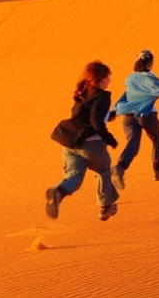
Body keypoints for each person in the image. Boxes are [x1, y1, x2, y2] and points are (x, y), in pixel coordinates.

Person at [48, 61, 121, 221]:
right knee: (103, 172)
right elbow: (96, 120)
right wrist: (110, 139)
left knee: (75, 176)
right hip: (92, 145)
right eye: (108, 76)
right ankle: (105, 207)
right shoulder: (102, 97)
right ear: (101, 79)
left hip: (70, 143)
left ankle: (59, 192)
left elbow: (85, 115)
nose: (110, 80)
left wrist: (110, 115)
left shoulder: (83, 92)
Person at [111, 49, 159, 188]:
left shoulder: (130, 78)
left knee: (133, 144)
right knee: (156, 139)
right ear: (150, 64)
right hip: (147, 115)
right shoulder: (150, 77)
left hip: (128, 116)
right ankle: (157, 170)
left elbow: (125, 95)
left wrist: (115, 109)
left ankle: (120, 167)